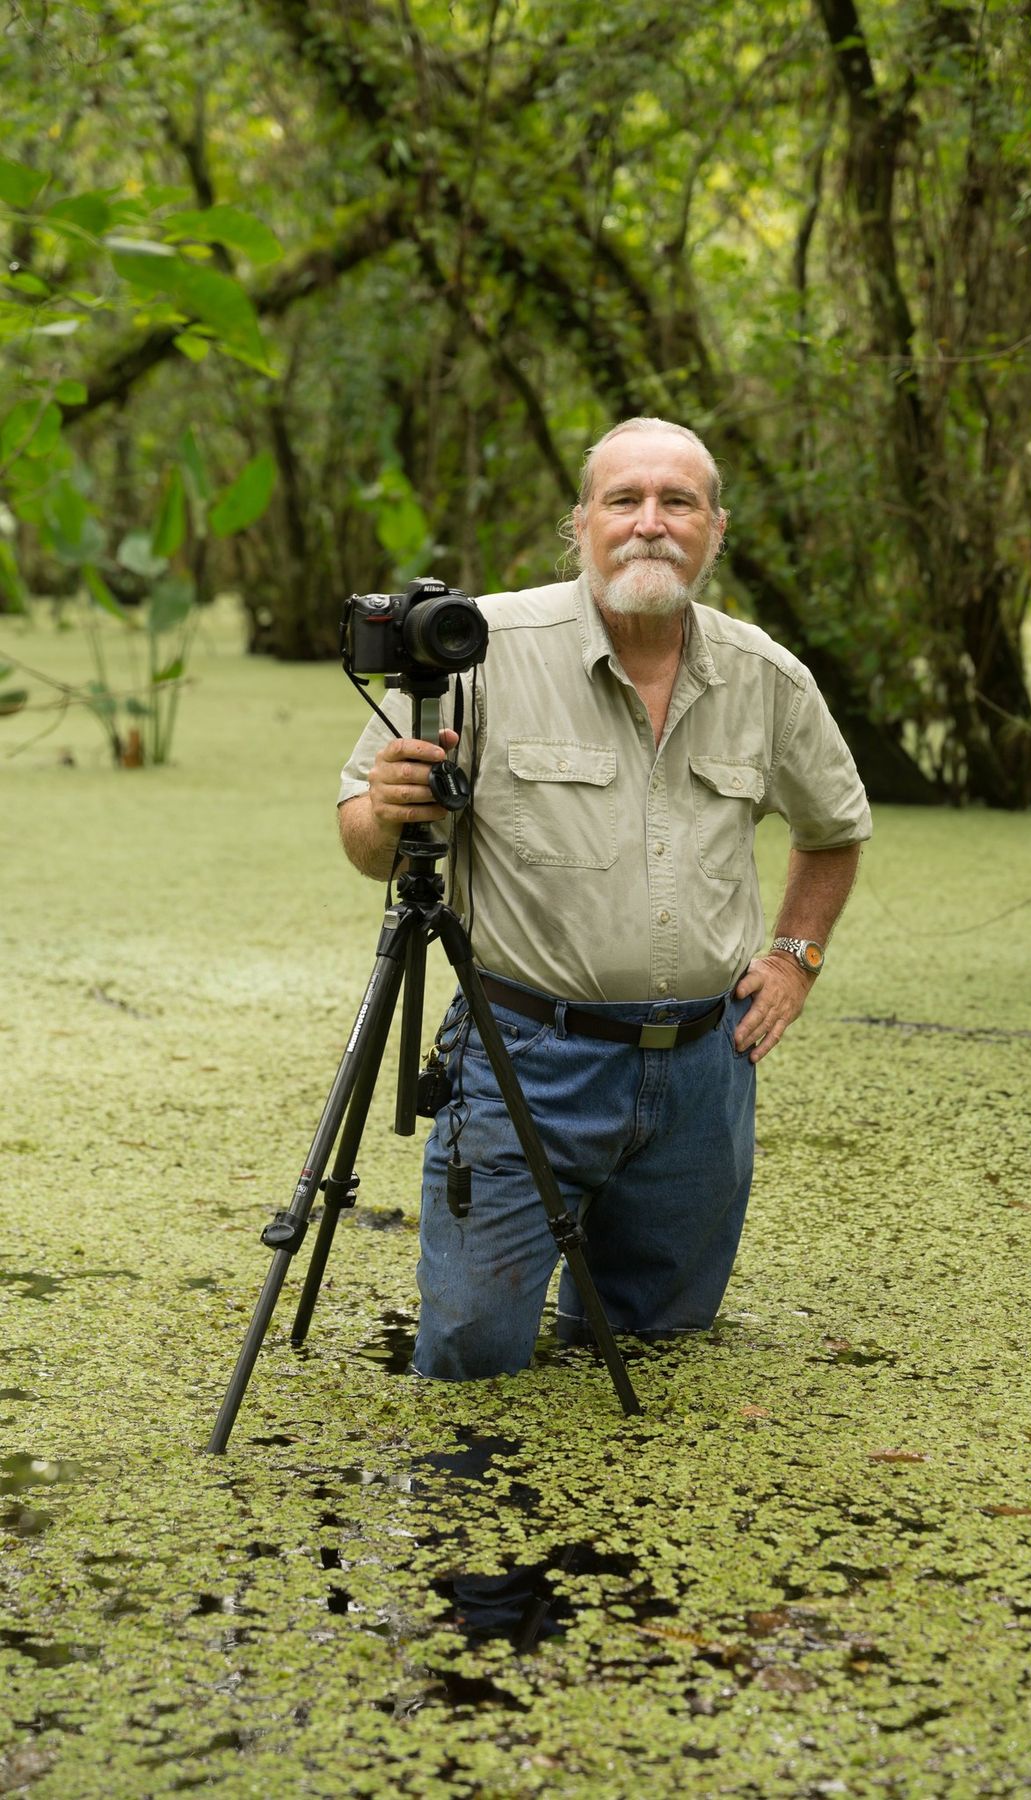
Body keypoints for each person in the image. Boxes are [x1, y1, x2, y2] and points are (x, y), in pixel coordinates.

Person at [337, 417, 871, 1382]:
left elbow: (833, 832)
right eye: (624, 500)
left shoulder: (767, 678)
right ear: (581, 523)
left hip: (706, 1079)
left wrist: (795, 958)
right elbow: (368, 845)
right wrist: (385, 808)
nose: (650, 524)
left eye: (678, 502)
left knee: (659, 1364)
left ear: (716, 529)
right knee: (472, 1364)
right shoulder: (479, 649)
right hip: (524, 1063)